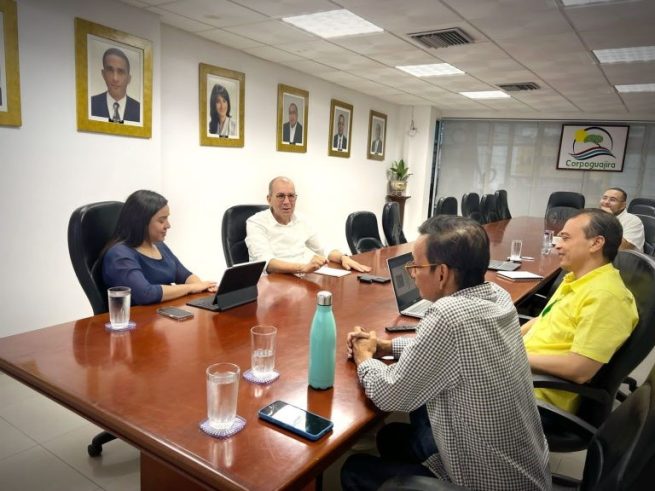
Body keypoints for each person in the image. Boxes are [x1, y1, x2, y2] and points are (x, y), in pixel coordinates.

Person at [341, 216, 550, 491]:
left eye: (415, 265)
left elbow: (390, 394)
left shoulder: (448, 315)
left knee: (354, 470)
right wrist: (386, 346)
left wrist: (365, 358)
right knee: (392, 436)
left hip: (488, 483)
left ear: (441, 273)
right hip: (525, 471)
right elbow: (449, 351)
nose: (411, 273)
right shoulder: (497, 296)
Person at [522, 208, 638, 414]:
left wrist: (511, 354)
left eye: (565, 238)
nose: (557, 244)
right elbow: (542, 320)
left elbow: (579, 369)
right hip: (520, 374)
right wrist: (501, 341)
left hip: (536, 395)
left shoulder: (606, 297)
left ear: (596, 243)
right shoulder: (577, 279)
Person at [103, 190, 216, 305]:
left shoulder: (159, 246)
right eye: (161, 220)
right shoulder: (119, 255)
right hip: (139, 320)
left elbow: (184, 275)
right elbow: (146, 294)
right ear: (141, 222)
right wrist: (191, 288)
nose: (168, 225)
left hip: (163, 314)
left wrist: (204, 287)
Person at [245, 176, 371, 275]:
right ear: (269, 199)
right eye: (280, 196)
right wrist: (303, 268)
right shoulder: (256, 222)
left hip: (300, 278)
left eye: (291, 196)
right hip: (273, 284)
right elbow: (266, 263)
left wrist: (343, 257)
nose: (287, 202)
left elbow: (322, 248)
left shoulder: (302, 220)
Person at [90, 47, 140, 123]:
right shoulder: (91, 104)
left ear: (129, 78)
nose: (115, 78)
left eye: (121, 72)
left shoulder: (139, 109)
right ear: (103, 74)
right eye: (110, 70)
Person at [599, 187, 645, 251]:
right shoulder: (596, 216)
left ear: (623, 205)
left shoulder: (633, 221)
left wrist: (610, 220)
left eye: (612, 200)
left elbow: (623, 249)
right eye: (604, 198)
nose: (606, 202)